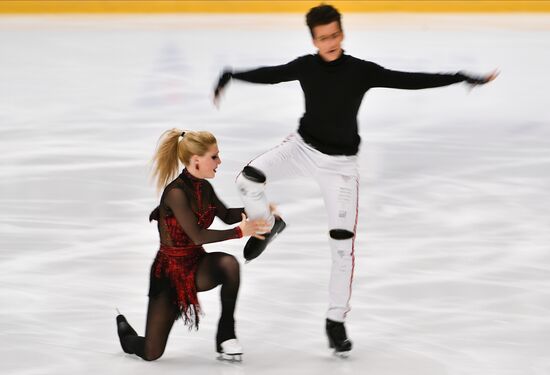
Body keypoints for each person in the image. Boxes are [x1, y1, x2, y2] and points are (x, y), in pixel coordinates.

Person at [213, 3, 498, 356]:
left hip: (341, 168)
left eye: (334, 35)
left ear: (342, 34)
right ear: (314, 40)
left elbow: (408, 80)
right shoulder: (306, 66)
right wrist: (231, 74)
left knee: (342, 246)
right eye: (322, 38)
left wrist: (460, 76)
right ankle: (269, 224)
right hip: (302, 149)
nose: (329, 42)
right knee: (248, 178)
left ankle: (335, 320)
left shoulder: (361, 71)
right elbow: (271, 74)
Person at [115, 129, 270, 361]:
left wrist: (260, 211)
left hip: (196, 265)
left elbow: (227, 214)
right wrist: (240, 232)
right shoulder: (175, 193)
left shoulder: (204, 187)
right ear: (196, 160)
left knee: (229, 265)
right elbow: (197, 235)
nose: (219, 161)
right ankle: (127, 336)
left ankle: (226, 336)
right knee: (151, 352)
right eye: (214, 156)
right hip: (168, 274)